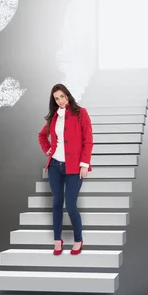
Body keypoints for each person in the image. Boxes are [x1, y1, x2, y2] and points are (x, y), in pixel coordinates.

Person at [38, 84, 93, 256]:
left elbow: (88, 139)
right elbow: (42, 135)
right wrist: (48, 149)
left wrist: (84, 163)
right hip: (55, 165)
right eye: (56, 98)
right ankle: (57, 239)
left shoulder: (80, 113)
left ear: (67, 95)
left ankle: (78, 239)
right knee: (56, 203)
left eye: (62, 96)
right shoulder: (54, 117)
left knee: (70, 205)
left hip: (74, 167)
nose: (60, 101)